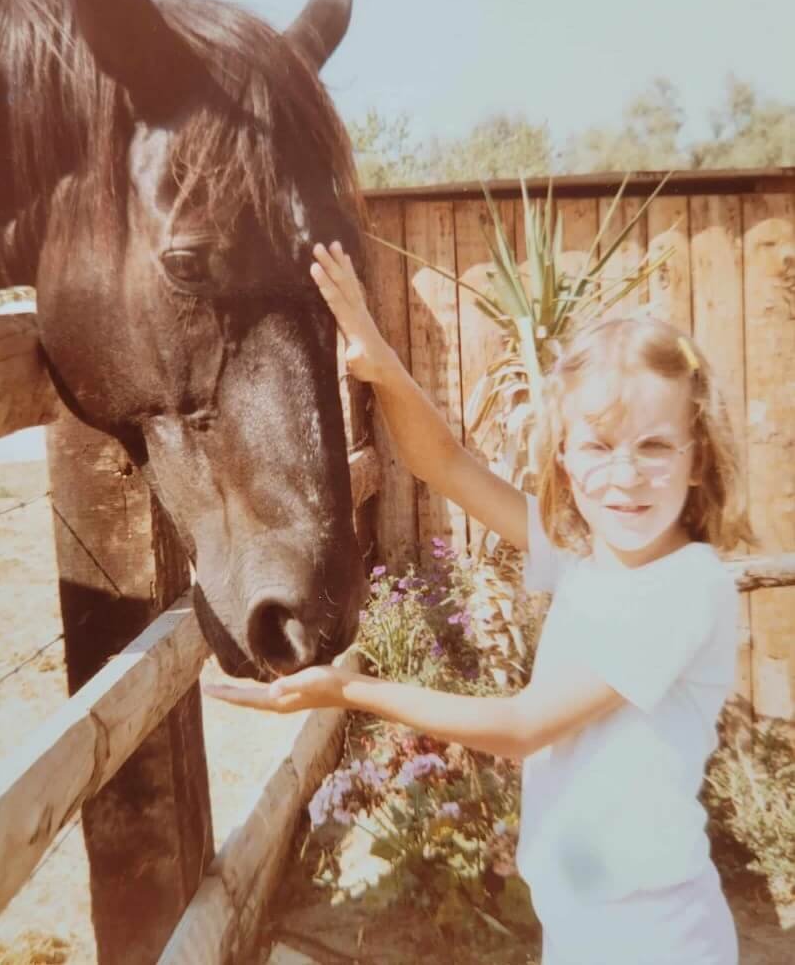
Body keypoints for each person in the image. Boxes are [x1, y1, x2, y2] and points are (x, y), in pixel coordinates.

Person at [205, 240, 753, 964]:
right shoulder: (590, 555)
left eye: (654, 446)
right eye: (596, 446)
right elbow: (444, 464)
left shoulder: (686, 587)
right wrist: (382, 363)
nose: (623, 476)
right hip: (585, 927)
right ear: (562, 456)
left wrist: (350, 688)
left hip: (655, 938)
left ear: (697, 457)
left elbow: (521, 726)